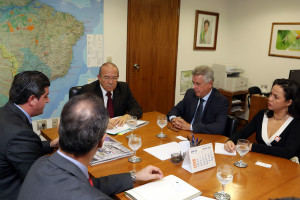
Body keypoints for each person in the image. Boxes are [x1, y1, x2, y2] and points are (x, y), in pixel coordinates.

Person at [18, 93, 163, 200]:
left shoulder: (41, 164)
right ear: (102, 142)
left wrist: (134, 176)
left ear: (59, 129)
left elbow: (89, 184)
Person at [0, 71, 59, 200]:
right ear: (32, 99)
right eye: (45, 96)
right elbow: (39, 179)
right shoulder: (20, 134)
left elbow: (16, 149)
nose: (48, 101)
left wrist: (50, 144)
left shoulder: (4, 113)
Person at [225, 79, 300, 159]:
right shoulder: (262, 114)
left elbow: (287, 152)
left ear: (288, 102)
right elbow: (243, 132)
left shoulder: (296, 123)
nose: (270, 99)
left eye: (276, 97)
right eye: (270, 94)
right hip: (261, 162)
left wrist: (254, 147)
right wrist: (231, 141)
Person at [167, 66, 229, 135]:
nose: (194, 87)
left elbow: (219, 127)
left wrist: (190, 127)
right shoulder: (190, 93)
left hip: (206, 137)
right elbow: (176, 109)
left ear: (210, 84)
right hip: (186, 134)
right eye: (193, 83)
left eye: (198, 84)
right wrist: (174, 118)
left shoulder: (220, 101)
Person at [80, 62, 143, 129]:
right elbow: (81, 116)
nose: (111, 82)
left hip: (118, 130)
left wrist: (127, 116)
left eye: (114, 78)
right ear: (99, 77)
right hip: (97, 132)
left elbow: (137, 108)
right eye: (106, 77)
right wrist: (102, 122)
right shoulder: (88, 90)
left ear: (118, 77)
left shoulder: (123, 88)